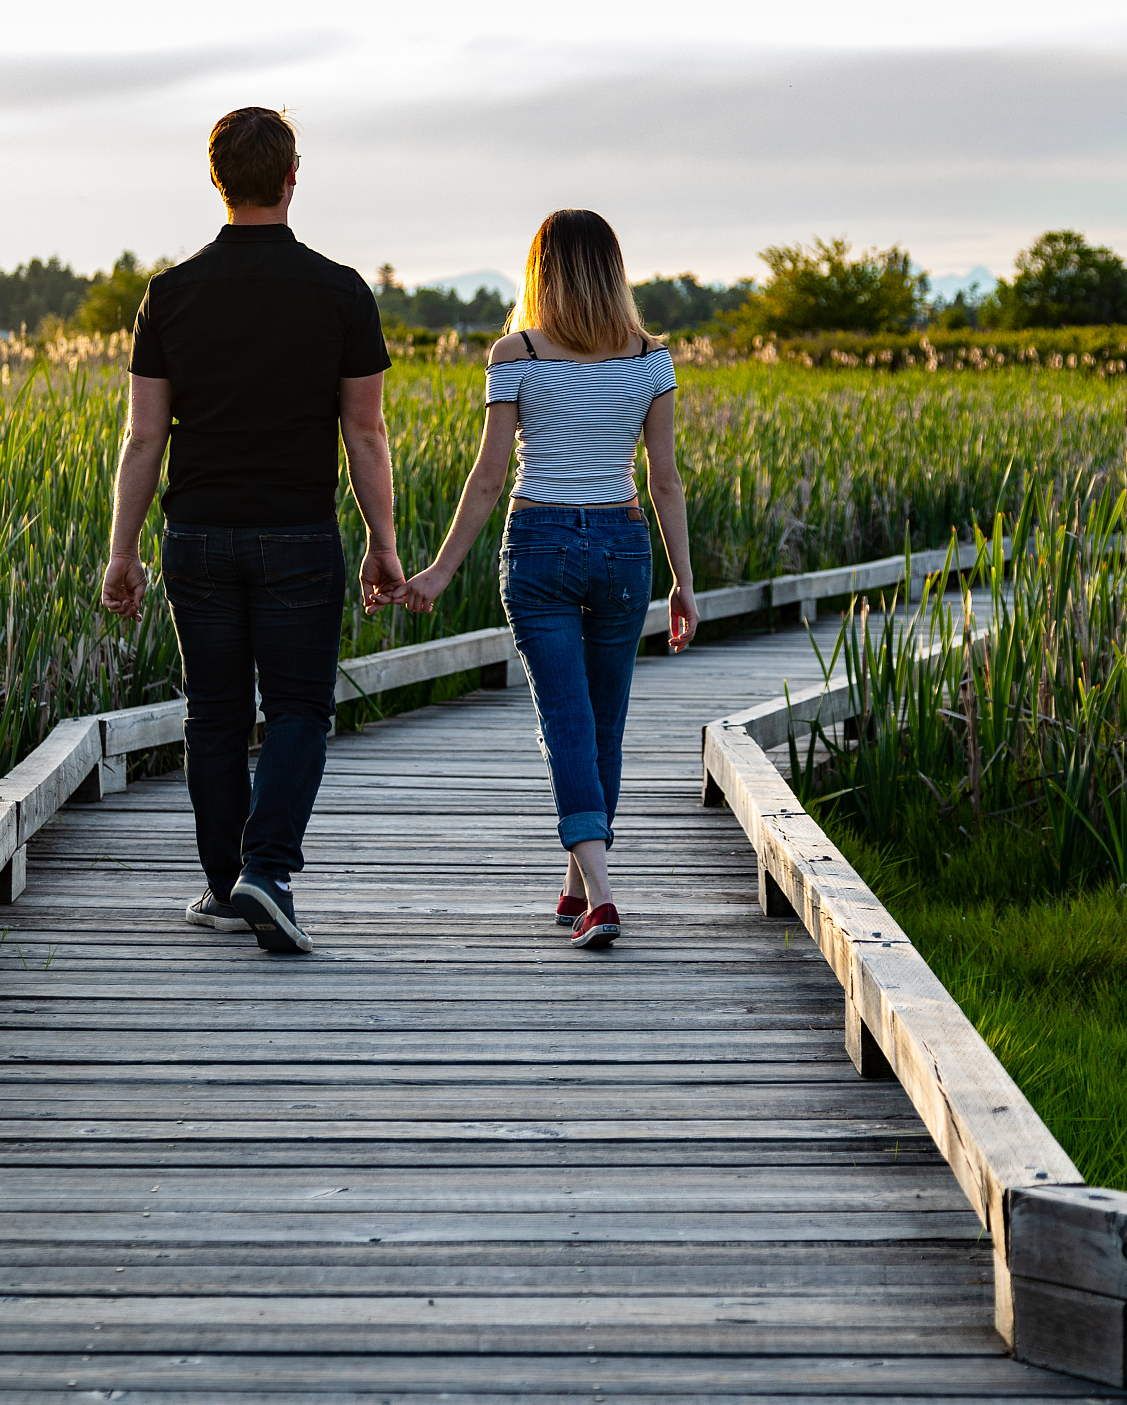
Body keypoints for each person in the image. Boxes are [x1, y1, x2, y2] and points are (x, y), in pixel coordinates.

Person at [100, 106, 406, 956]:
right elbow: (365, 433)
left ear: (216, 179)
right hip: (299, 535)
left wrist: (122, 550)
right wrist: (383, 543)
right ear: (291, 177)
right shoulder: (340, 289)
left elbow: (145, 436)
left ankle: (223, 886)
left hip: (195, 533)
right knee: (301, 706)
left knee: (215, 714)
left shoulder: (170, 292)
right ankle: (264, 873)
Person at [399, 208, 699, 950]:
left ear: (541, 270)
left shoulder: (516, 352)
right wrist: (683, 583)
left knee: (567, 721)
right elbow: (664, 482)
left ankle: (598, 895)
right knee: (601, 725)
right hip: (624, 546)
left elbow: (489, 477)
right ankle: (576, 885)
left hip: (538, 546)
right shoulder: (649, 357)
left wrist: (439, 572)